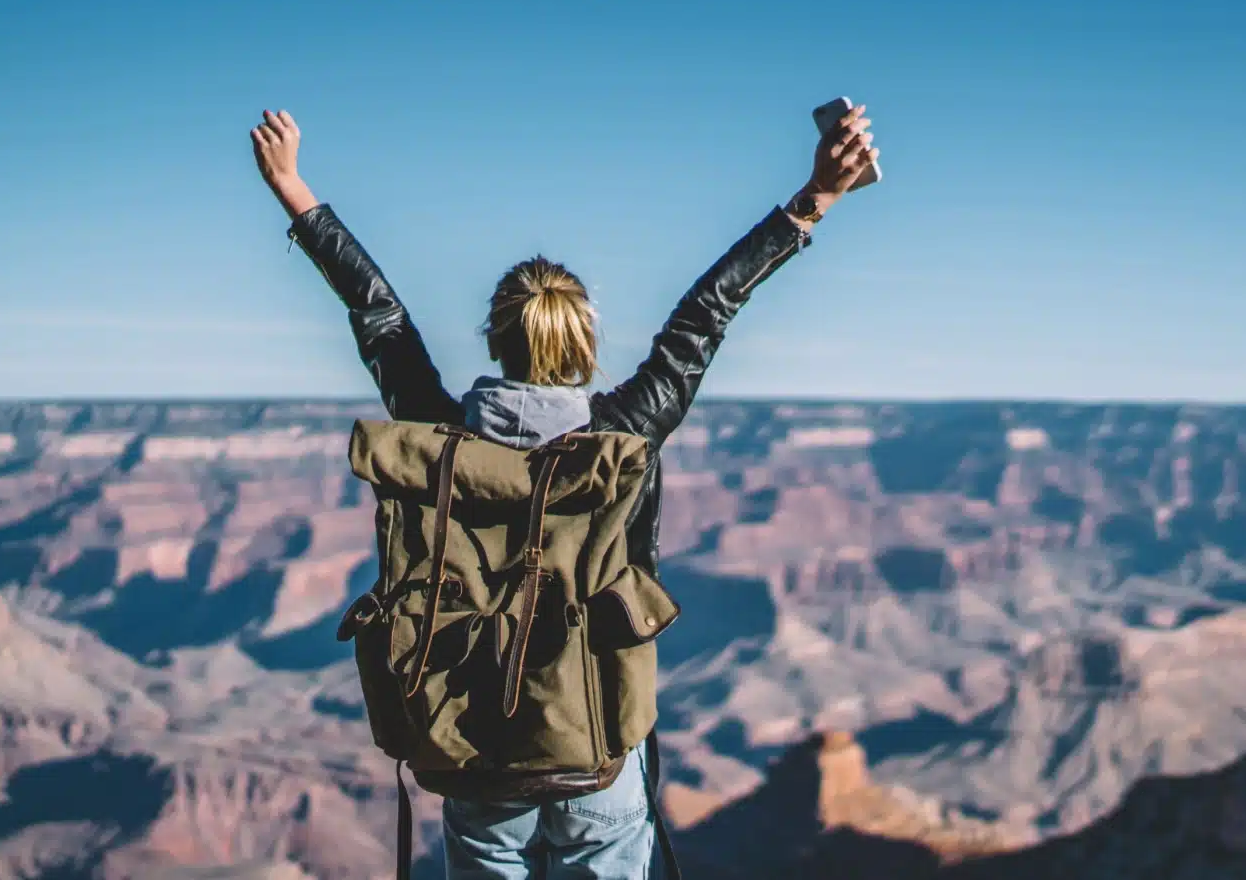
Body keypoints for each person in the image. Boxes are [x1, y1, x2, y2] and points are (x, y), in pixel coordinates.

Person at [251, 105, 877, 880]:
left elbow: (380, 319)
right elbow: (707, 314)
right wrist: (816, 198)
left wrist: (293, 190)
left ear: (495, 339)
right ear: (584, 344)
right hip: (599, 751)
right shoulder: (626, 436)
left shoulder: (442, 443)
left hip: (477, 756)